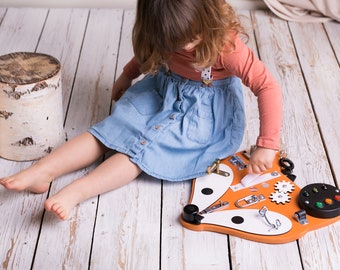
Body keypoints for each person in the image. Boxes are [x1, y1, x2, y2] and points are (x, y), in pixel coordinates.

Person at [0, 0, 282, 220]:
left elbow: (267, 87)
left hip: (201, 111)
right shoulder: (163, 33)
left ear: (208, 19)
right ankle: (43, 171)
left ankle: (77, 192)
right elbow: (147, 54)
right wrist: (127, 75)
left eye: (191, 40)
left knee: (141, 151)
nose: (184, 47)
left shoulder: (226, 46)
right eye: (173, 43)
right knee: (108, 131)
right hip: (163, 90)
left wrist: (267, 144)